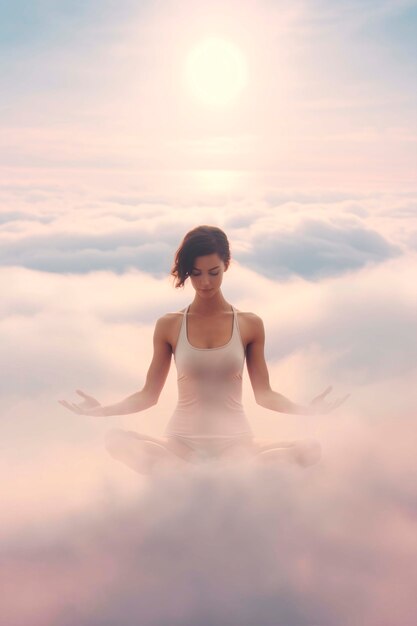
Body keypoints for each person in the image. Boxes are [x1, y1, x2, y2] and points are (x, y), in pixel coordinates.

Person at [59, 225, 349, 474]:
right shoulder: (169, 325)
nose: (205, 282)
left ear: (226, 265)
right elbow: (148, 396)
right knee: (116, 439)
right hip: (180, 446)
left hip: (237, 444)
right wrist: (100, 412)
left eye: (213, 272)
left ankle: (204, 477)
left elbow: (265, 395)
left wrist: (307, 410)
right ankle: (212, 477)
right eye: (196, 274)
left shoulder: (249, 324)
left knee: (310, 450)